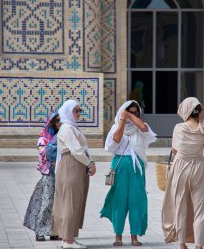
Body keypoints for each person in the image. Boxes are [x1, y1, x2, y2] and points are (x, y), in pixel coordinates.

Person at [162, 97, 204, 249]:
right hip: (198, 168)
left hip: (180, 167)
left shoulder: (179, 128)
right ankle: (199, 245)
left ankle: (182, 243)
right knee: (201, 208)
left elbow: (175, 150)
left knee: (180, 206)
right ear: (199, 112)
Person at [100, 100, 156, 246]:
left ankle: (134, 236)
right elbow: (116, 140)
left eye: (135, 112)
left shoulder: (140, 128)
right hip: (121, 167)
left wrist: (131, 117)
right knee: (119, 200)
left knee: (136, 201)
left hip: (136, 168)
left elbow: (144, 129)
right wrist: (123, 120)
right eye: (129, 112)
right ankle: (118, 236)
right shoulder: (115, 127)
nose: (133, 115)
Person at [51, 100, 96, 249]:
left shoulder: (71, 127)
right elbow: (76, 150)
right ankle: (68, 240)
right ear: (67, 112)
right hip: (72, 164)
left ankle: (68, 238)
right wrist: (90, 163)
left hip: (74, 164)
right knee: (70, 202)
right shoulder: (67, 128)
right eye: (75, 110)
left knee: (72, 202)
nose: (78, 113)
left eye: (79, 110)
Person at [23, 111, 62, 241]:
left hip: (62, 173)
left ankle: (53, 231)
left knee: (58, 203)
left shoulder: (64, 135)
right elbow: (45, 153)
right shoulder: (44, 138)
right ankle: (39, 231)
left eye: (61, 120)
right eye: (57, 120)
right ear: (51, 122)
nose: (59, 123)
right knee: (46, 202)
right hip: (49, 174)